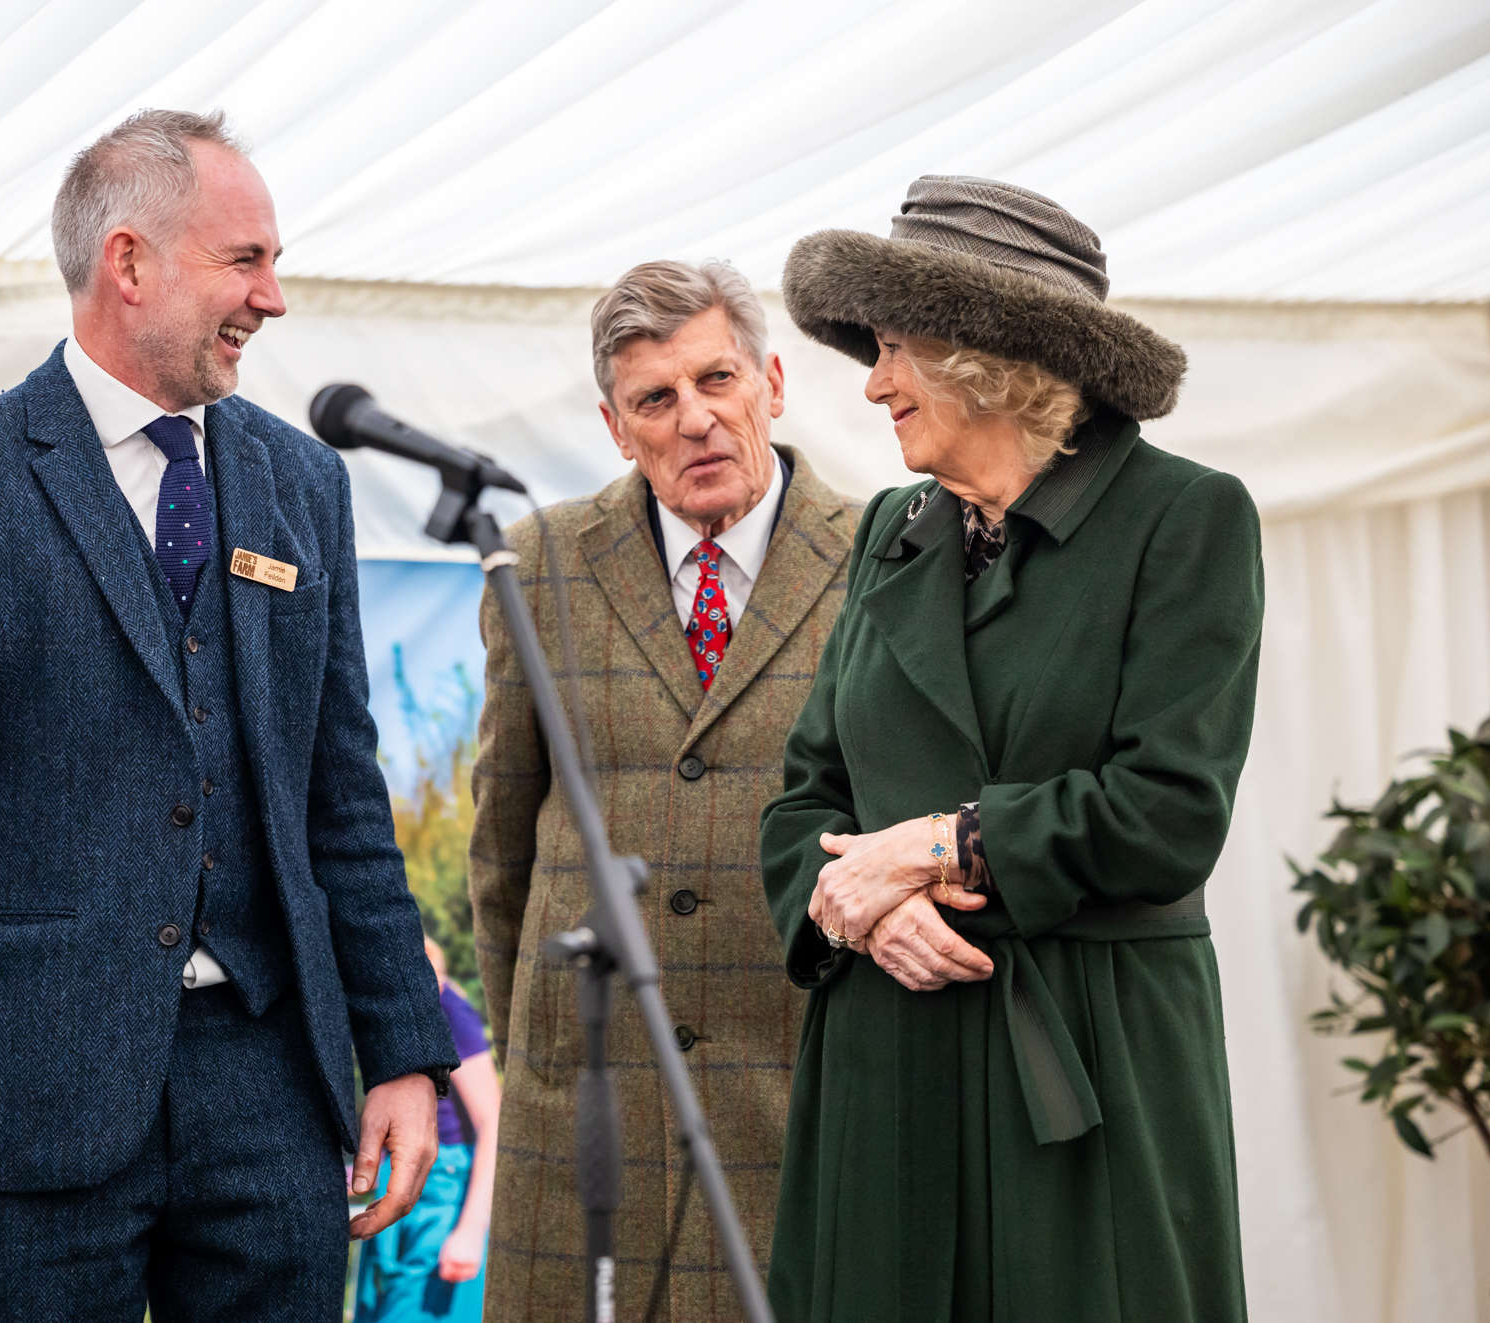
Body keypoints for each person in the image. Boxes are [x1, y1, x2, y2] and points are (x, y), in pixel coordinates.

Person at [0, 109, 458, 1321]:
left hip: (270, 1091)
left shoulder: (302, 483)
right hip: (30, 1107)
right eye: (246, 260)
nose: (273, 296)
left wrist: (406, 1056)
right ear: (130, 263)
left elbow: (342, 803)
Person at [760, 175, 1262, 1322]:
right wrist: (868, 905)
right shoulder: (892, 532)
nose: (873, 382)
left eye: (893, 348)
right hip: (888, 1052)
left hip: (1089, 1052)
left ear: (986, 354)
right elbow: (804, 801)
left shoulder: (1184, 518)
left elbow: (1170, 809)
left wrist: (942, 847)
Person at [470, 259, 862, 1320]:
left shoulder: (885, 559)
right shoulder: (535, 564)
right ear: (616, 426)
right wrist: (535, 1060)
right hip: (584, 1124)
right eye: (655, 399)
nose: (693, 419)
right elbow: (501, 849)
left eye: (715, 380)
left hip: (799, 1103)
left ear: (772, 382)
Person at [352, 936, 501, 1322]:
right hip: (397, 1185)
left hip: (443, 1196)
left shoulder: (448, 1010)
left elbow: (493, 1121)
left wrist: (471, 1229)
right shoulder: (393, 1017)